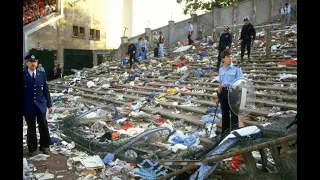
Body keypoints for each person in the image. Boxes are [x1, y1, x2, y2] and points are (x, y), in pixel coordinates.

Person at [23, 54, 52, 156]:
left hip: (40, 105)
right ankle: (32, 148)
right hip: (28, 106)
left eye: (34, 62)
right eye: (30, 62)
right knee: (31, 127)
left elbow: (46, 90)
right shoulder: (24, 75)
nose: (33, 64)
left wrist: (49, 104)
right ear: (27, 63)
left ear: (37, 63)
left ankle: (45, 146)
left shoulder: (41, 74)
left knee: (43, 125)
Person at [216, 50, 244, 134]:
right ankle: (225, 134)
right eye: (228, 57)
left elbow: (241, 83)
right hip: (224, 93)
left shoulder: (237, 68)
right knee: (225, 115)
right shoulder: (221, 70)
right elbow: (221, 84)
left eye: (230, 56)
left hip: (233, 93)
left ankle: (235, 134)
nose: (230, 58)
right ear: (223, 59)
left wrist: (239, 98)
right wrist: (217, 97)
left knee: (234, 115)